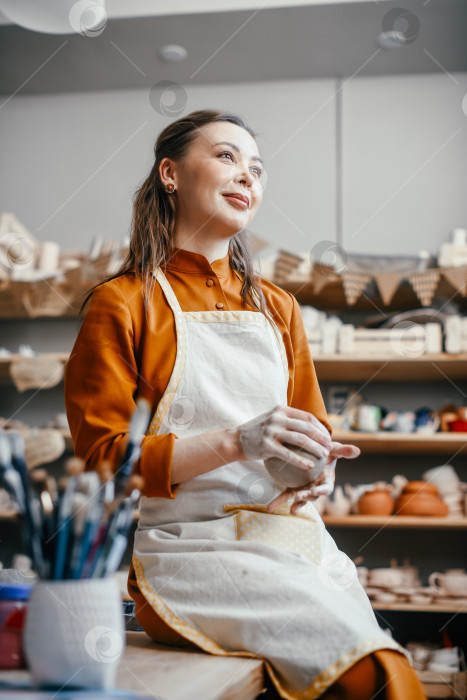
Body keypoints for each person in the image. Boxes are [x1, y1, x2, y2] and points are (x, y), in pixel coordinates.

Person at [65, 109, 427, 699]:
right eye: (227, 157)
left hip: (289, 542)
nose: (248, 177)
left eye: (257, 168)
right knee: (374, 676)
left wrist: (317, 466)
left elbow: (312, 431)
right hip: (191, 557)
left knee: (383, 662)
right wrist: (238, 441)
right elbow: (107, 465)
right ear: (170, 174)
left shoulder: (278, 307)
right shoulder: (123, 303)